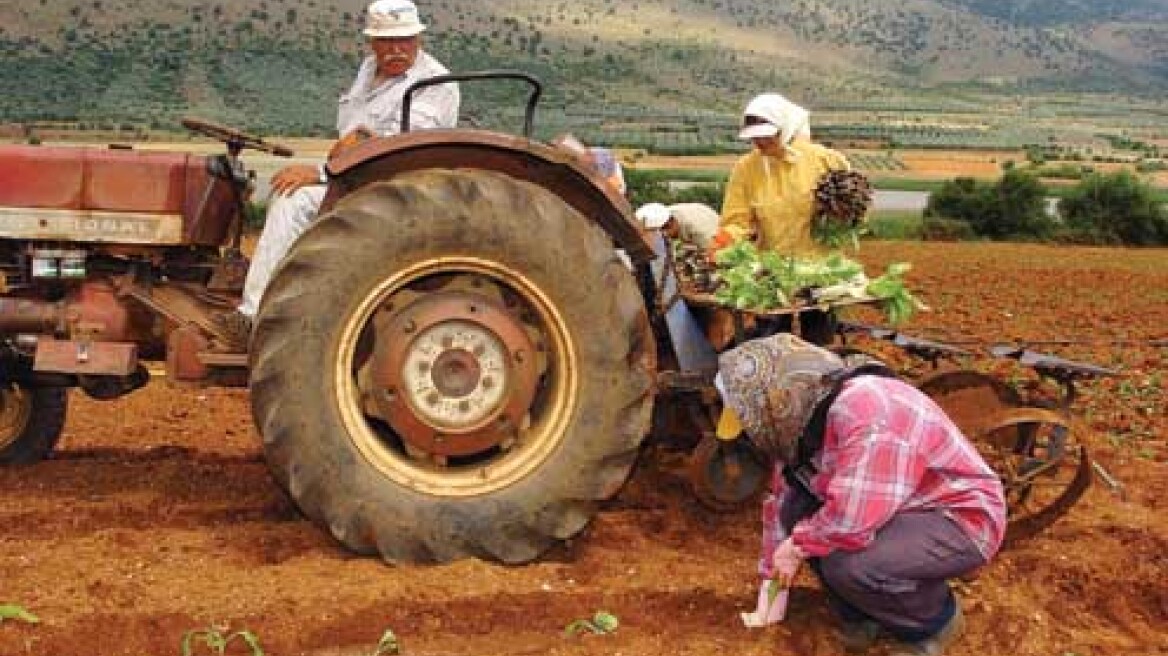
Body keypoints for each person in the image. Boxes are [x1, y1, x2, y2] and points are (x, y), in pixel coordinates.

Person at [714, 334, 1006, 656]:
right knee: (798, 514)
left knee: (851, 564)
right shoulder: (800, 420)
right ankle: (864, 613)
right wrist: (772, 580)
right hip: (889, 506)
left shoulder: (867, 416)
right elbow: (781, 502)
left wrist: (797, 547)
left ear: (778, 397)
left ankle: (933, 624)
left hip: (957, 518)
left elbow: (850, 523)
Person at [216, 0, 459, 349]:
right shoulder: (368, 70)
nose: (397, 49)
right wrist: (341, 157)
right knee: (287, 191)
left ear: (418, 38)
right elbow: (353, 137)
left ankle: (253, 317)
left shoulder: (434, 84)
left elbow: (394, 150)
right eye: (387, 41)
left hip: (394, 186)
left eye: (405, 39)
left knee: (293, 200)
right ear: (371, 42)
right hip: (357, 178)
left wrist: (322, 173)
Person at [713, 93, 848, 256]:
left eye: (767, 135)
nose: (760, 141)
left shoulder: (825, 160)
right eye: (755, 136)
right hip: (774, 267)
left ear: (784, 127)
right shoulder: (746, 169)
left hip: (822, 267)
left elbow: (855, 208)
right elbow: (737, 221)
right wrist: (724, 239)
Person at [635, 202, 720, 249]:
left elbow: (713, 253)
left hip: (718, 237)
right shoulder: (662, 215)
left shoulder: (700, 231)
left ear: (669, 224)